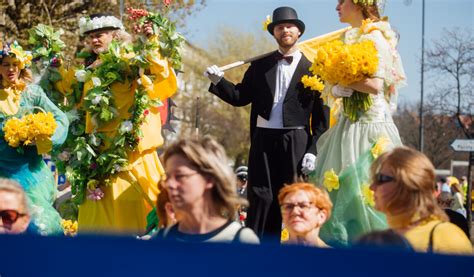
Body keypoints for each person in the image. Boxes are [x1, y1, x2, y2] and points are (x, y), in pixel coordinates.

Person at [205, 6, 329, 240]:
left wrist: (313, 151)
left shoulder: (314, 69)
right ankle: (258, 252)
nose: (285, 30)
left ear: (299, 32)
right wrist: (218, 81)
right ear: (274, 33)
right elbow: (241, 97)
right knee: (261, 198)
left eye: (289, 27)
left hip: (296, 140)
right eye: (280, 27)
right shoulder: (260, 66)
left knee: (294, 198)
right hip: (263, 139)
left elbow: (322, 121)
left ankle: (297, 253)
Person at [55, 14, 178, 234]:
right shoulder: (89, 72)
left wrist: (151, 41)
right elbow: (67, 87)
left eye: (99, 35)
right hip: (97, 157)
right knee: (96, 223)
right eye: (91, 36)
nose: (94, 40)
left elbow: (158, 73)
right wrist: (50, 58)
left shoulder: (128, 61)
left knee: (136, 215)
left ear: (116, 36)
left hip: (129, 153)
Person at [310, 0, 407, 246]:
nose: (337, 7)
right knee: (343, 191)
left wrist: (344, 83)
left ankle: (372, 252)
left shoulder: (375, 37)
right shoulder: (355, 37)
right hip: (349, 124)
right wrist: (334, 84)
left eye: (342, 1)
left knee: (362, 191)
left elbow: (376, 85)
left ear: (359, 4)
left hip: (368, 129)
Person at [0, 42, 68, 235]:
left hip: (31, 174)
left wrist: (45, 139)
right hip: (3, 173)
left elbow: (61, 118)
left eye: (15, 64)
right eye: (6, 64)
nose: (11, 69)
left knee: (39, 225)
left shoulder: (32, 93)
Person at [370, 147, 472, 255]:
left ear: (409, 184)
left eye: (380, 179)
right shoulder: (378, 240)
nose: (372, 187)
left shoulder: (447, 238)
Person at [159, 137, 259, 244]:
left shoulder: (242, 240)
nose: (169, 184)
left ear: (209, 178)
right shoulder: (160, 240)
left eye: (180, 176)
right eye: (167, 177)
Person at [278, 182, 332, 247]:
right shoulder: (270, 255)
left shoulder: (335, 256)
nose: (295, 211)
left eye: (303, 206)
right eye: (288, 207)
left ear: (321, 216)